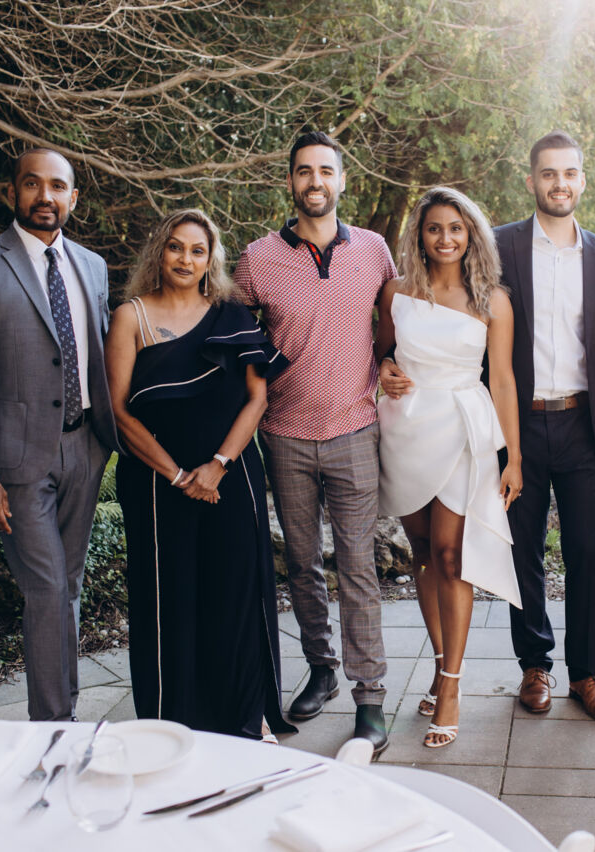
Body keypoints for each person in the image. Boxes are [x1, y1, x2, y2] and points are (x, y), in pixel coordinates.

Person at [233, 131, 397, 753]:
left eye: (326, 170)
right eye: (304, 171)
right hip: (284, 436)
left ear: (342, 180)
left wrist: (393, 362)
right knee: (301, 563)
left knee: (358, 565)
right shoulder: (257, 259)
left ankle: (370, 697)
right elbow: (229, 334)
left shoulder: (374, 250)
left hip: (355, 428)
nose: (315, 182)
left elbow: (396, 319)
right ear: (291, 182)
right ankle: (322, 668)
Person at [0, 148, 117, 722]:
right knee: (46, 588)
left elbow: (102, 356)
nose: (45, 196)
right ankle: (54, 726)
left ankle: (65, 709)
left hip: (85, 448)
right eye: (32, 184)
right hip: (18, 461)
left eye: (57, 186)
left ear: (74, 198)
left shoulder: (93, 266)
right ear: (11, 192)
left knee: (69, 584)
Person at [106, 209, 292, 741]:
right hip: (156, 483)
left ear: (211, 260)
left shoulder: (232, 316)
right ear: (158, 252)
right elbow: (119, 411)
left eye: (197, 250)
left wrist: (217, 466)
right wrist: (179, 475)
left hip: (230, 475)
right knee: (169, 599)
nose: (185, 259)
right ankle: (174, 724)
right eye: (175, 247)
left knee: (234, 593)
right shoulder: (130, 317)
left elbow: (257, 398)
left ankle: (247, 715)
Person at [375, 187, 523, 748]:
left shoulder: (493, 301)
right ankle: (440, 665)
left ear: (471, 235)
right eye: (435, 228)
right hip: (408, 426)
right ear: (420, 234)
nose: (445, 238)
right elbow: (381, 352)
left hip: (463, 428)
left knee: (451, 555)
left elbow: (502, 380)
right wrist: (384, 368)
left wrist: (514, 457)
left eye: (456, 228)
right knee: (421, 552)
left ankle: (453, 686)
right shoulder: (396, 292)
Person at [493, 131, 595, 720]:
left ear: (582, 180)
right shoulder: (498, 246)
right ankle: (534, 666)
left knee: (585, 553)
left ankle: (587, 674)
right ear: (531, 181)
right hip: (517, 422)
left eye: (569, 173)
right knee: (522, 550)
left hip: (582, 424)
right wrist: (395, 357)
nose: (559, 183)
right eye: (548, 173)